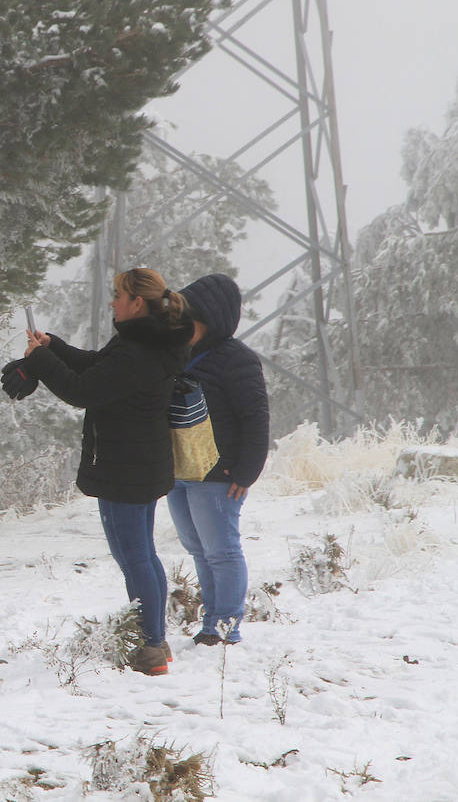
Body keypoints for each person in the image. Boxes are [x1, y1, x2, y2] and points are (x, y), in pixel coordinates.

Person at [2, 268, 191, 675]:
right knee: (143, 554)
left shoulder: (136, 351)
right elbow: (97, 369)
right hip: (141, 462)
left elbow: (82, 390)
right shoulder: (146, 341)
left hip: (125, 467)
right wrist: (54, 348)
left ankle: (150, 647)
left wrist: (39, 361)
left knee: (134, 556)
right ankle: (155, 639)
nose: (112, 302)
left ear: (136, 302)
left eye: (118, 295)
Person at [165, 274, 269, 647]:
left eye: (187, 317)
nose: (178, 325)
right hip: (179, 470)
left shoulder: (238, 360)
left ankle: (226, 629)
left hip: (218, 473)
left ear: (212, 318)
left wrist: (247, 471)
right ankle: (211, 624)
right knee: (198, 549)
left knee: (222, 552)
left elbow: (255, 418)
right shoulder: (178, 354)